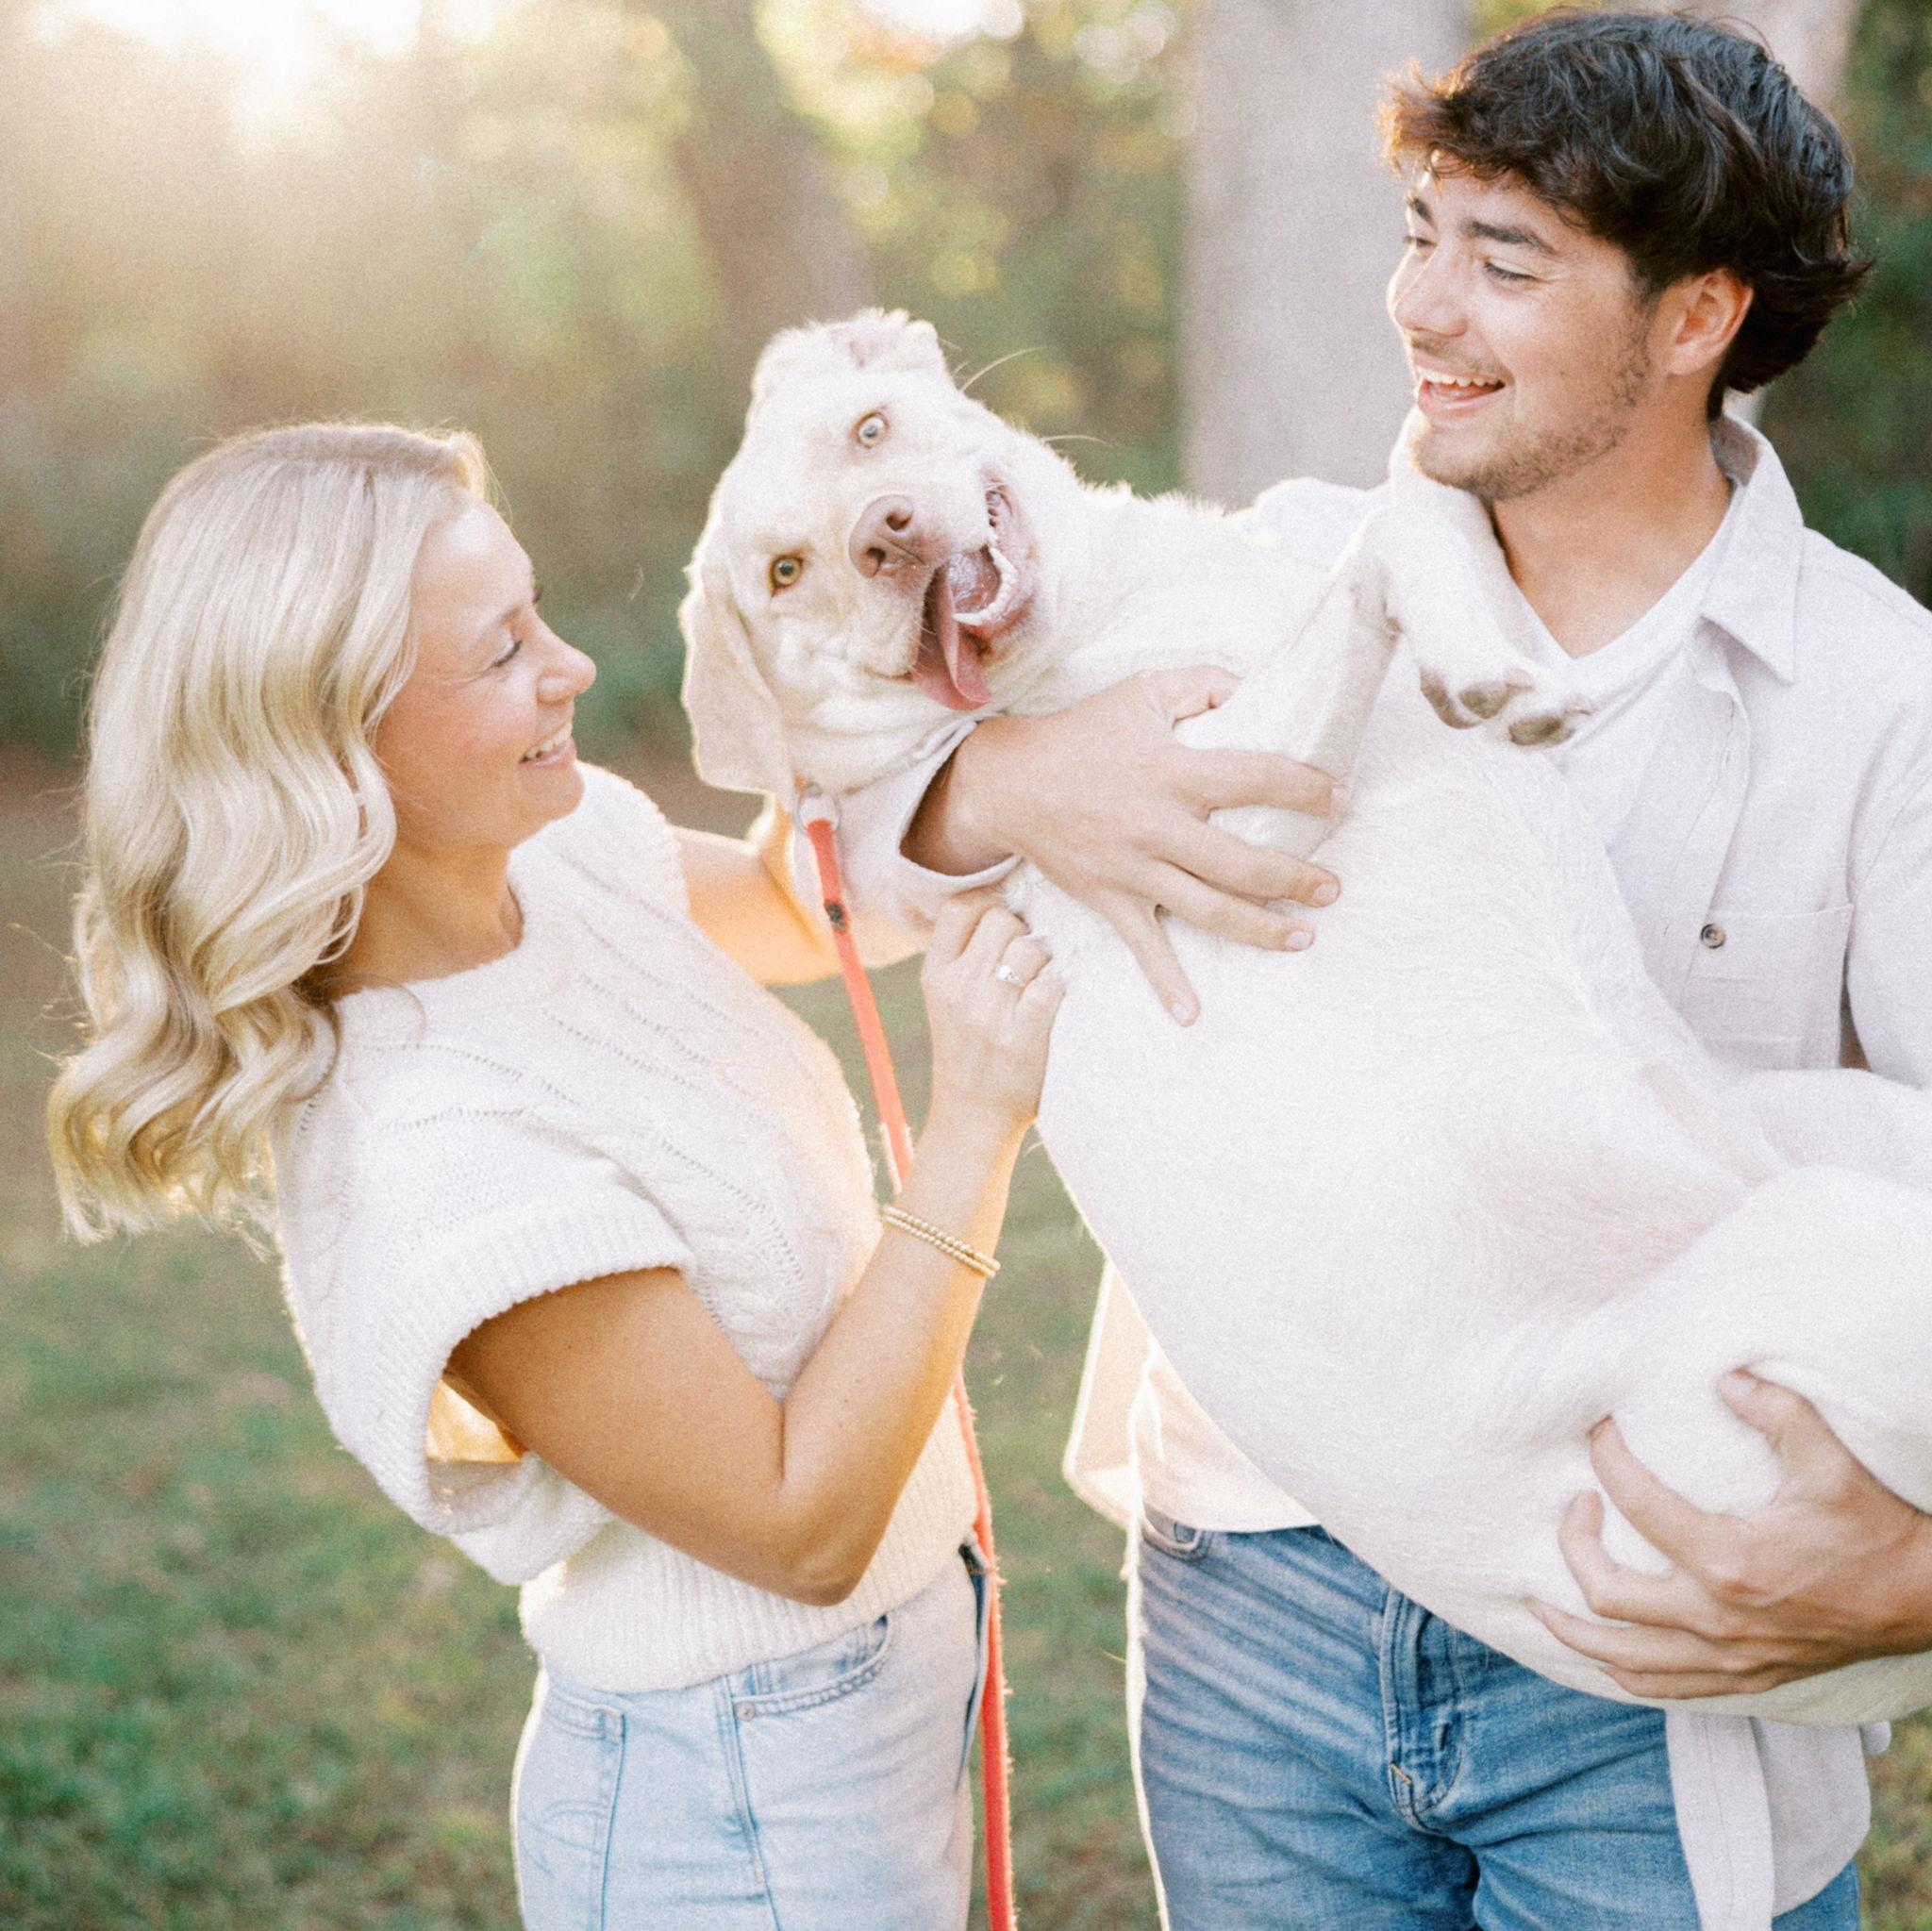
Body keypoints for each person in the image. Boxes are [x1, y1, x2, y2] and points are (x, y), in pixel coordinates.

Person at [813, 12, 1932, 1928]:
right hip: (1245, 1591)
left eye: (1506, 260)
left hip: (1640, 1627)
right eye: (1422, 233)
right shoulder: (1273, 569)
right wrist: (1001, 778)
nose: (1421, 304)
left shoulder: (1880, 699)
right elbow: (835, 840)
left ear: (1694, 316)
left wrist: (1910, 1580)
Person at [46, 422, 1062, 1930]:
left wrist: (836, 669)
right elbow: (801, 1526)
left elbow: (801, 903)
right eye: (502, 650)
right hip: (742, 1792)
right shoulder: (440, 1154)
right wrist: (974, 1126)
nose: (571, 666)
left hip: (878, 1697)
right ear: (335, 746)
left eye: (537, 614)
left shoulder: (565, 853)